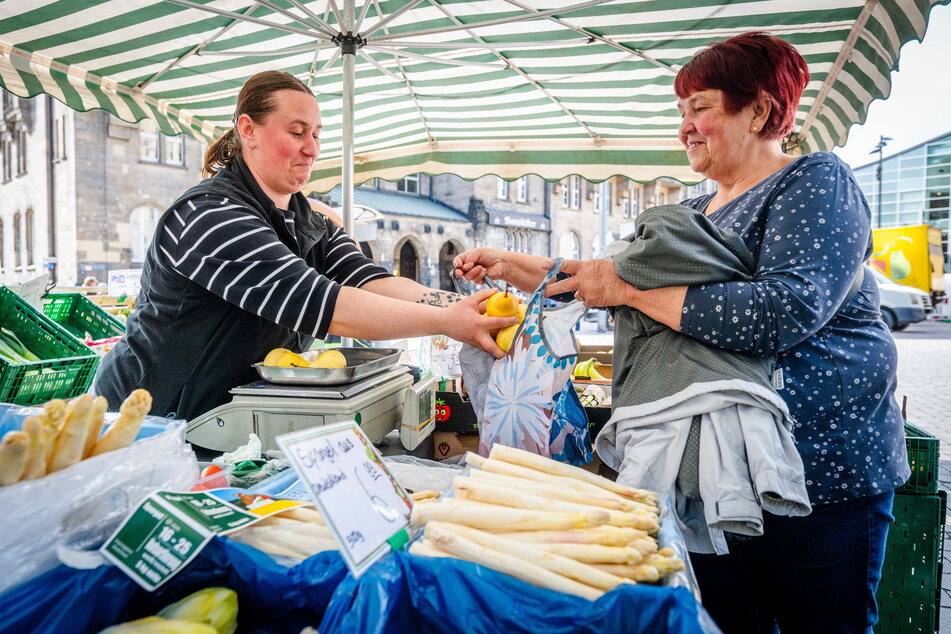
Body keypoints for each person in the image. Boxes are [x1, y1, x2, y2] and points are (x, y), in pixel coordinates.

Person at [454, 32, 909, 634]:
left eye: (702, 108)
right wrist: (512, 265)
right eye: (682, 112)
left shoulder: (815, 181)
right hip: (709, 482)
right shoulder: (695, 212)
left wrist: (628, 291)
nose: (685, 127)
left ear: (761, 111)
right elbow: (608, 276)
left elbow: (784, 310)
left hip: (818, 479)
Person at [94, 70, 515, 421]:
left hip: (232, 418)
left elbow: (369, 282)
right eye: (297, 132)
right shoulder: (212, 216)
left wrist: (468, 308)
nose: (312, 148)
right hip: (149, 419)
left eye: (316, 134)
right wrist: (448, 323)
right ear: (248, 130)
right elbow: (328, 307)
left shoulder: (308, 220)